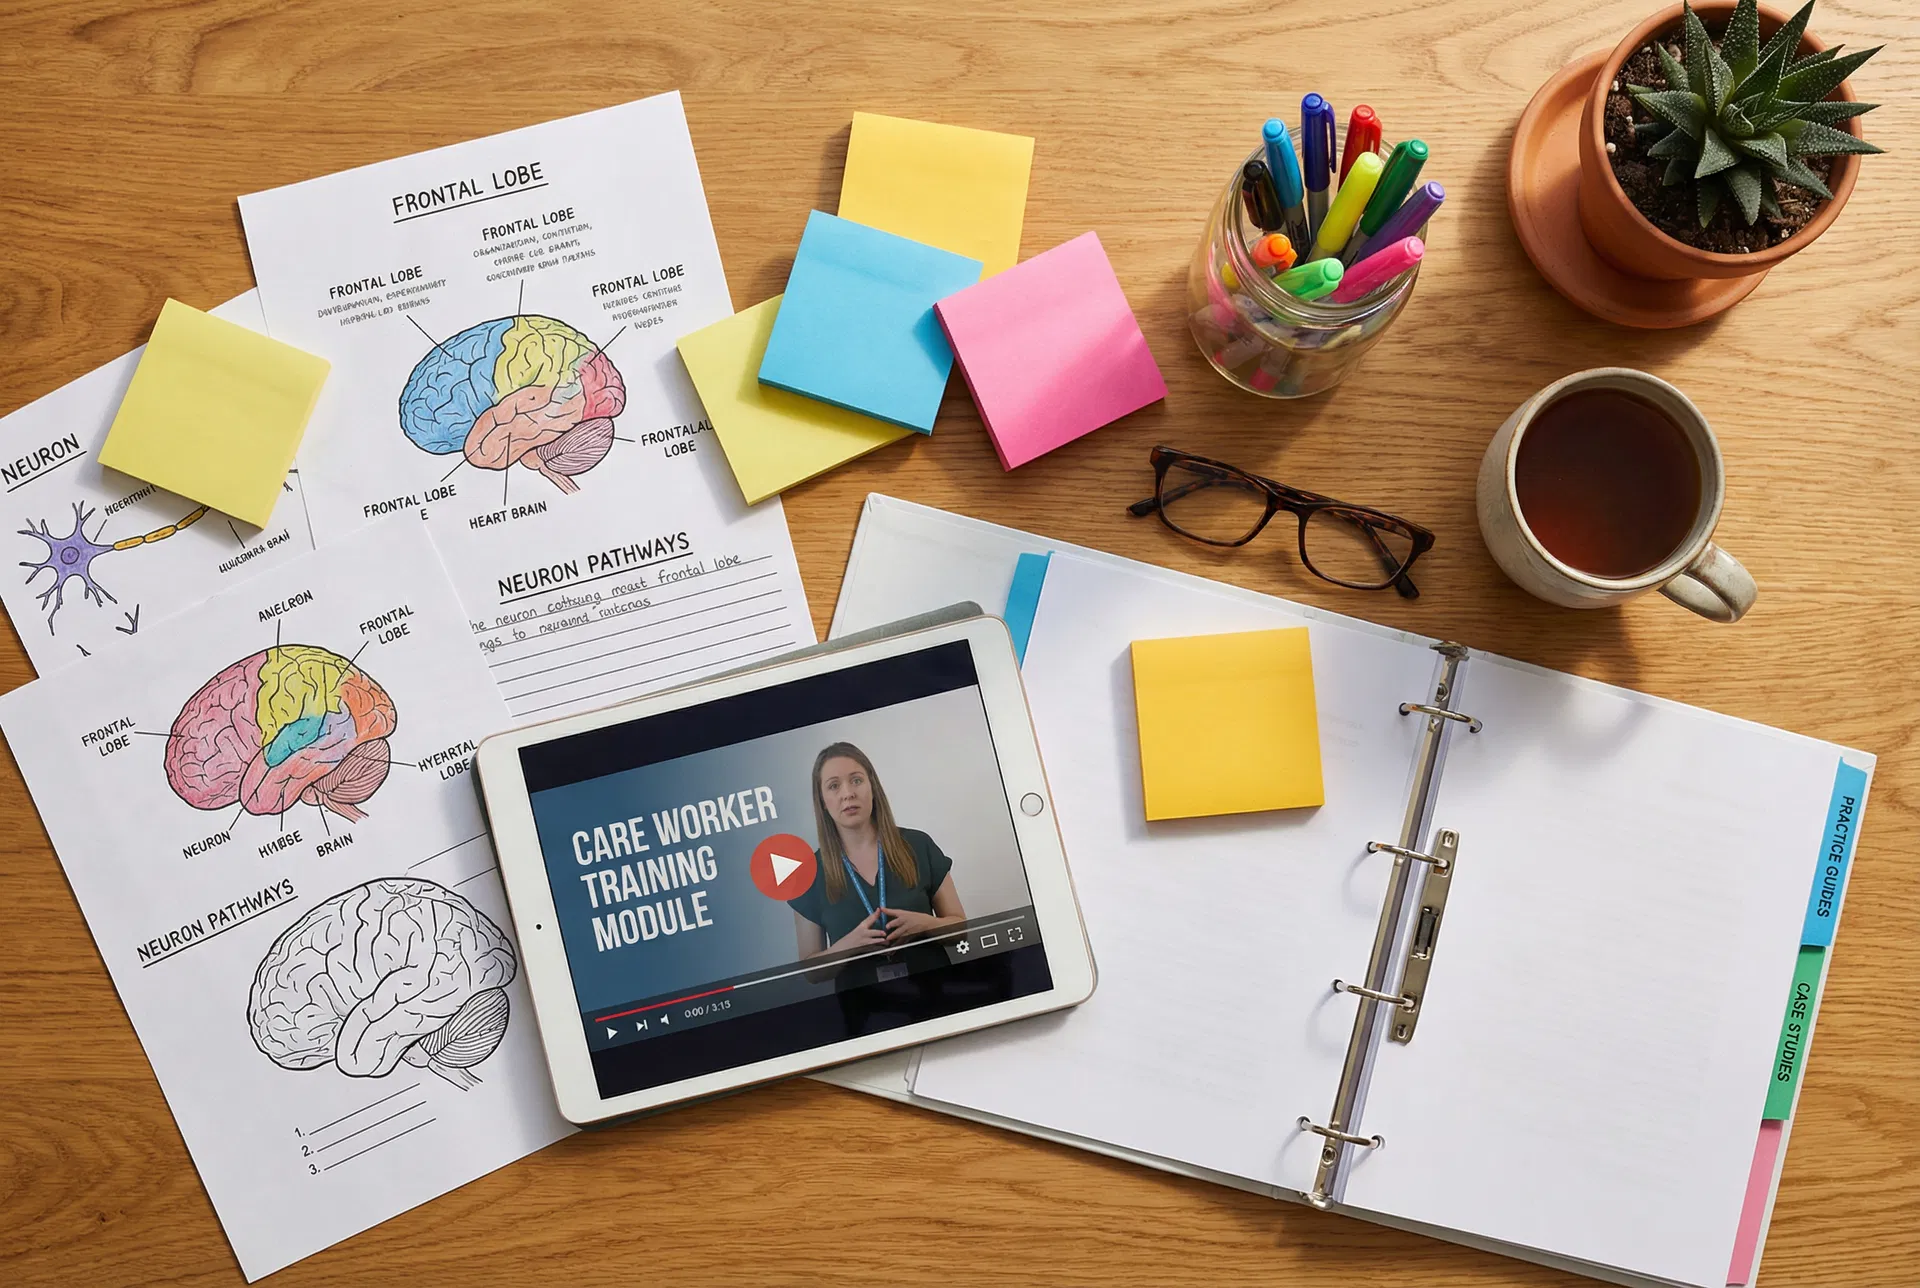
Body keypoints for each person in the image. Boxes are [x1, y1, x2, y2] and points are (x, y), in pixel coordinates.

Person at [790, 741, 966, 959]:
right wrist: (849, 946)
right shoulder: (807, 874)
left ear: (872, 787)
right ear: (823, 801)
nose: (848, 794)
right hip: (861, 993)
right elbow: (810, 970)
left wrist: (927, 924)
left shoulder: (919, 844)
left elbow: (961, 929)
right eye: (834, 786)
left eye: (856, 780)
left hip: (936, 989)